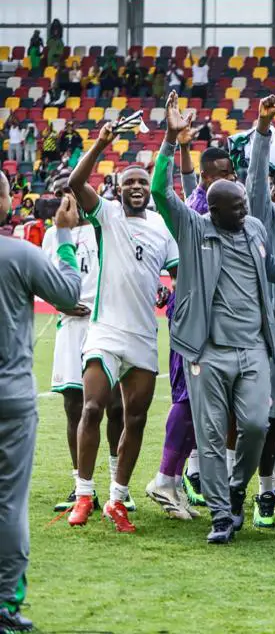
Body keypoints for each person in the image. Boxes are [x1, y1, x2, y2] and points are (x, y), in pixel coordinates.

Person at [151, 91, 275, 543]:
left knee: (255, 426)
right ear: (213, 211)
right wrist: (170, 140)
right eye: (235, 208)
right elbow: (160, 192)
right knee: (212, 435)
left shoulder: (254, 227)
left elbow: (270, 264)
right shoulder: (193, 228)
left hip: (254, 348)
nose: (244, 211)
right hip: (208, 350)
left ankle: (235, 490)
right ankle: (220, 515)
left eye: (244, 205)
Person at [66, 120, 180, 532]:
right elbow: (76, 183)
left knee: (135, 420)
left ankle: (117, 499)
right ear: (118, 188)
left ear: (149, 189)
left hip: (143, 336)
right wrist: (100, 143)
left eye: (142, 182)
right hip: (106, 330)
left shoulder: (163, 228)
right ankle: (83, 494)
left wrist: (170, 293)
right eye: (129, 181)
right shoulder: (108, 215)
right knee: (92, 407)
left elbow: (178, 274)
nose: (136, 186)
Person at [0, 180, 82, 633]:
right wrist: (64, 235)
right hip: (10, 396)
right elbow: (69, 294)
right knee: (9, 503)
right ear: (5, 202)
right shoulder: (20, 254)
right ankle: (4, 605)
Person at [41, 178, 126, 514]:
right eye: (61, 194)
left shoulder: (103, 226)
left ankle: (118, 486)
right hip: (71, 327)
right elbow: (44, 279)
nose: (67, 200)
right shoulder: (53, 235)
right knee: (74, 406)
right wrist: (58, 301)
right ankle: (81, 487)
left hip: (103, 324)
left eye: (72, 193)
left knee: (115, 406)